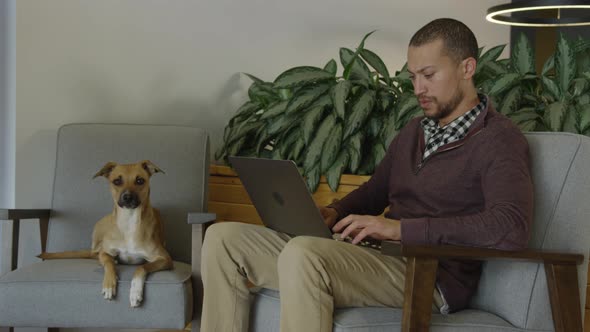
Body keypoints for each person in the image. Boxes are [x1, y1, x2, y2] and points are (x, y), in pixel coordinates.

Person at [200, 18, 533, 331]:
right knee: (223, 239)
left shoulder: (498, 138)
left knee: (304, 254)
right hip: (376, 258)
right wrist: (335, 213)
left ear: (467, 68)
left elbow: (511, 226)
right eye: (414, 76)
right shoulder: (414, 131)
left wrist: (402, 229)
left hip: (428, 276)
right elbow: (376, 191)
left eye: (429, 75)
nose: (418, 88)